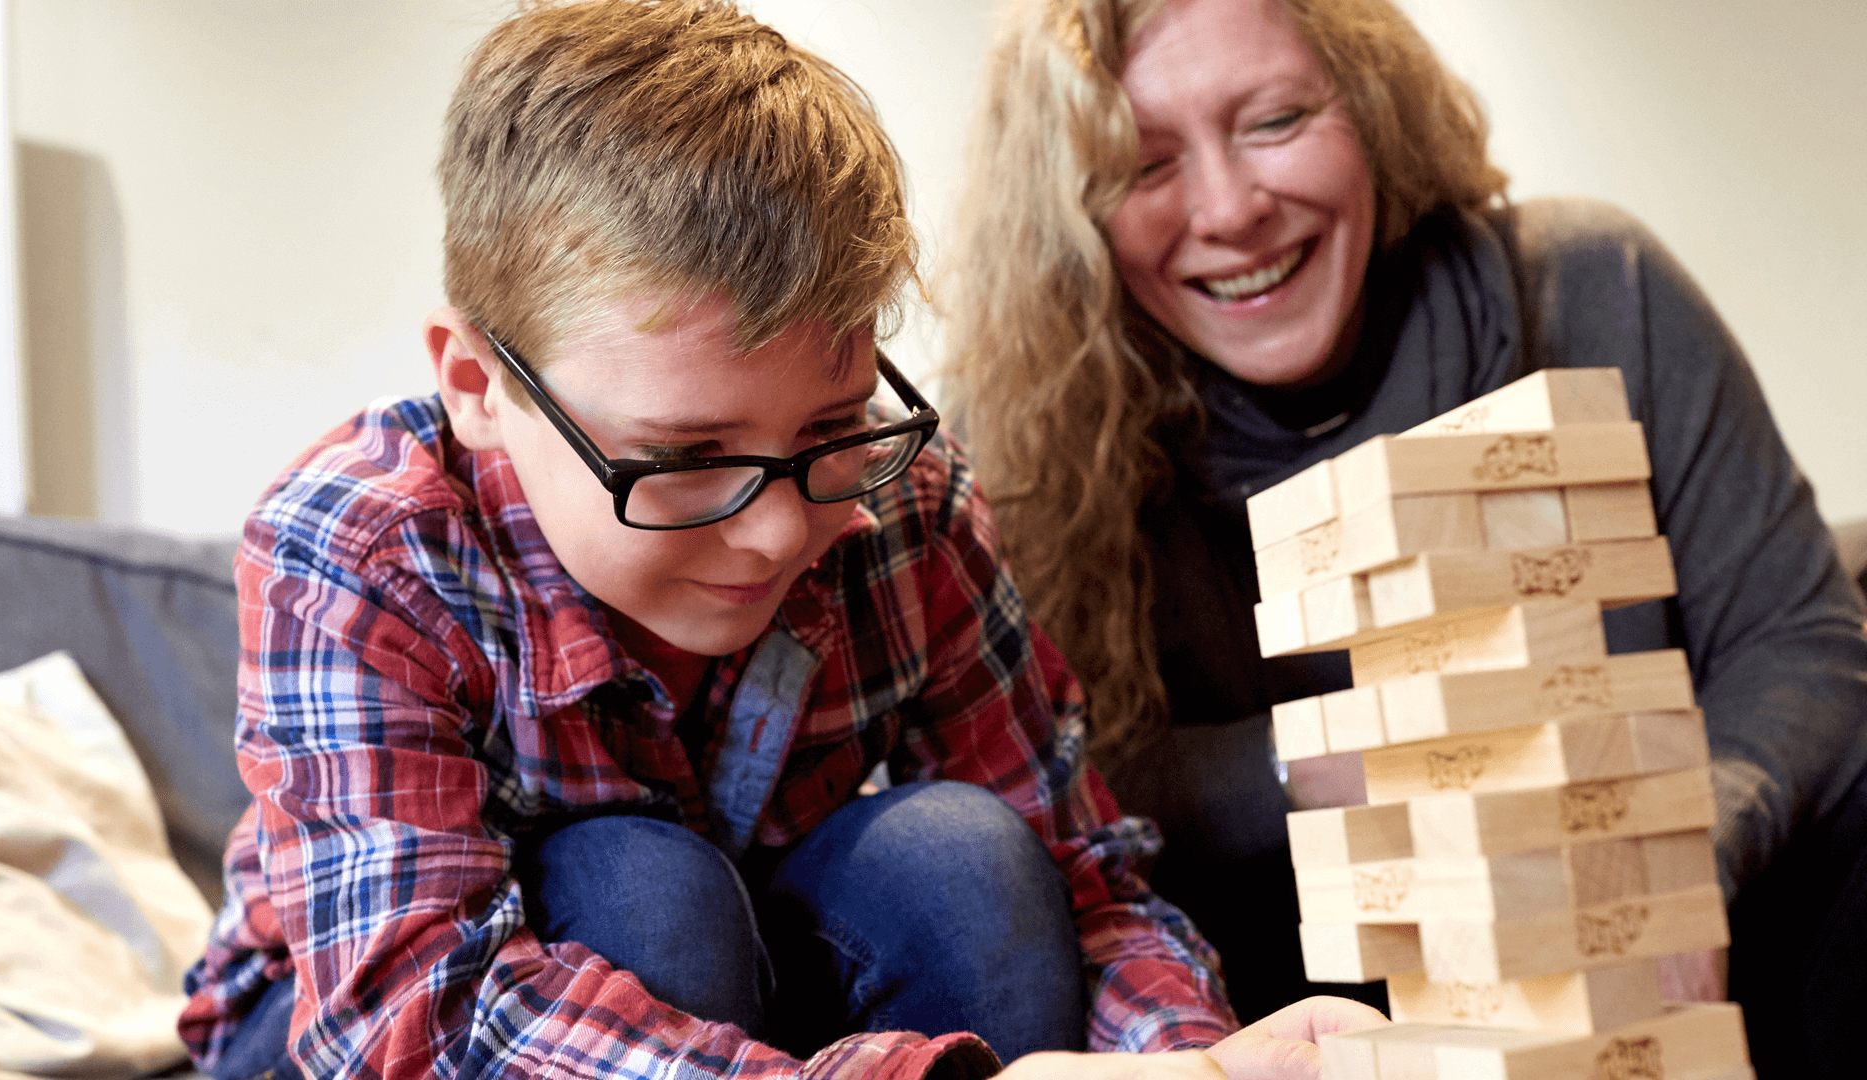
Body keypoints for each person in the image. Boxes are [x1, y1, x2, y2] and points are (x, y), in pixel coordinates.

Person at [175, 3, 1385, 1079]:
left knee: (956, 859)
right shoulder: (361, 544)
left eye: (830, 426)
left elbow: (1087, 877)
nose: (774, 532)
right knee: (643, 887)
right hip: (339, 1019)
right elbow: (411, 1023)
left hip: (740, 985)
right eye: (687, 458)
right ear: (480, 382)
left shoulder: (901, 500)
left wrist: (1200, 1063)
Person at [943, 0, 1867, 1071]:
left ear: (1370, 103)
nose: (1231, 207)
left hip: (1697, 949)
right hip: (1296, 992)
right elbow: (1055, 785)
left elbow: (1796, 637)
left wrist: (1673, 855)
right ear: (1066, 216)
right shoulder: (1024, 432)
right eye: (1144, 166)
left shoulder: (1588, 284)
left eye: (1277, 120)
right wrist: (1309, 764)